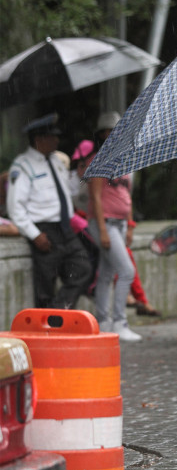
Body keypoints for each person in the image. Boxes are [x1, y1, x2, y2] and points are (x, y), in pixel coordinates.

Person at [6, 113, 92, 308]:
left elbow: (69, 190)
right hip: (44, 229)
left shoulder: (55, 160)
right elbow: (15, 207)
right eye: (52, 136)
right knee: (45, 284)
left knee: (82, 268)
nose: (57, 140)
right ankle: (48, 325)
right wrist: (35, 234)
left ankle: (58, 312)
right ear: (39, 140)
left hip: (65, 228)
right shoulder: (23, 165)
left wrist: (82, 175)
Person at [86, 111, 143, 342]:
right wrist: (101, 229)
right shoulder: (97, 160)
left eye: (117, 130)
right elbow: (95, 197)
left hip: (119, 223)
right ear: (101, 134)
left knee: (107, 273)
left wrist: (129, 225)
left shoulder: (125, 159)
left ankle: (103, 321)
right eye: (108, 131)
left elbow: (126, 195)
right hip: (105, 222)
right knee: (126, 271)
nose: (113, 135)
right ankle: (120, 321)